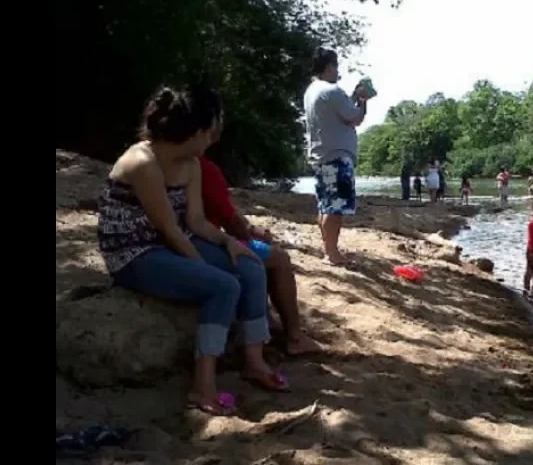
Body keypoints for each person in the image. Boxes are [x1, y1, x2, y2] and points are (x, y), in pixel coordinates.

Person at [97, 83, 288, 416]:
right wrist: (205, 269)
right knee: (223, 285)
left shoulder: (191, 164)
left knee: (251, 266)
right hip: (134, 252)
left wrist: (229, 243)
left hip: (173, 240)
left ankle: (254, 361)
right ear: (198, 130)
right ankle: (203, 387)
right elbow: (168, 228)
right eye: (212, 129)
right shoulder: (143, 162)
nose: (214, 137)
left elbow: (196, 221)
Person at [199, 146, 322, 356]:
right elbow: (230, 220)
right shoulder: (203, 168)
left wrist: (248, 230)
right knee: (279, 258)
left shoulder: (175, 164)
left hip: (196, 237)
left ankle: (269, 321)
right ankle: (294, 336)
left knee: (261, 252)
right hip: (206, 242)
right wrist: (249, 233)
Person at [304, 47, 370, 267]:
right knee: (335, 207)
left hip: (322, 155)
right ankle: (332, 254)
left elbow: (337, 112)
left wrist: (351, 98)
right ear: (329, 66)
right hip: (336, 156)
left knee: (325, 205)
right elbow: (355, 117)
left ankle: (329, 250)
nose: (337, 72)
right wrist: (362, 99)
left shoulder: (312, 90)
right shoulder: (332, 90)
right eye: (336, 66)